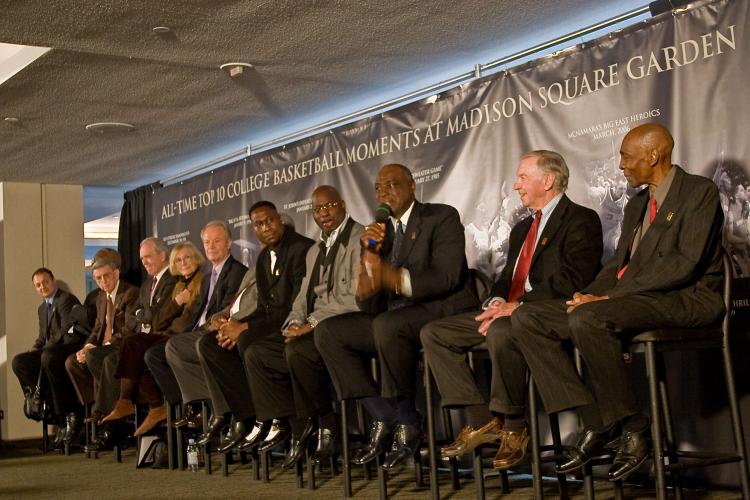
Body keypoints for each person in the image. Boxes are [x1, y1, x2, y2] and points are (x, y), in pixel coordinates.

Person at [510, 123, 725, 482]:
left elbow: (683, 265)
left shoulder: (698, 192)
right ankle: (599, 421)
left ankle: (634, 429)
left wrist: (606, 298)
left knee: (589, 318)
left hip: (686, 298)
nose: (621, 165)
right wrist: (586, 294)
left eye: (626, 157)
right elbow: (619, 265)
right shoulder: (638, 203)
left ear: (653, 155)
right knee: (528, 319)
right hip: (632, 299)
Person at [420, 150, 603, 470]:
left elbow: (574, 278)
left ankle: (515, 427)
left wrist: (517, 306)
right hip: (510, 309)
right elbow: (506, 279)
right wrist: (494, 303)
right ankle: (482, 421)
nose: (516, 185)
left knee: (506, 328)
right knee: (434, 332)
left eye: (522, 177)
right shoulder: (521, 229)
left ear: (547, 180)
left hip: (547, 313)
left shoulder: (581, 219)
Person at [315, 163, 478, 470]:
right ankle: (383, 414)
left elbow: (447, 277)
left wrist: (390, 276)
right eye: (378, 188)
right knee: (329, 332)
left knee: (388, 325)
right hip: (393, 319)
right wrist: (370, 256)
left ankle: (408, 423)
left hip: (441, 310)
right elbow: (367, 304)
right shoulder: (380, 233)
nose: (383, 193)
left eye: (391, 185)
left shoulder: (440, 216)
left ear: (412, 185)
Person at [244, 186, 363, 468]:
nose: (324, 213)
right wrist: (296, 321)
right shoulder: (316, 250)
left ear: (343, 205)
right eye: (318, 210)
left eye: (329, 206)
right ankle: (296, 426)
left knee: (297, 352)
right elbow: (301, 298)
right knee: (258, 352)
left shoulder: (361, 237)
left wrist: (310, 323)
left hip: (345, 323)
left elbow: (353, 298)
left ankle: (326, 424)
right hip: (315, 325)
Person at [196, 201, 313, 452]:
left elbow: (291, 307)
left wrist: (245, 328)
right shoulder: (262, 259)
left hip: (294, 324)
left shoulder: (301, 249)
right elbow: (264, 308)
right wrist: (234, 325)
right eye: (258, 224)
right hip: (270, 322)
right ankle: (246, 416)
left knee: (248, 342)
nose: (265, 227)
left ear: (279, 220)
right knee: (209, 343)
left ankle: (276, 419)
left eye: (269, 220)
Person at [145, 220, 247, 430]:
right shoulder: (209, 277)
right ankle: (198, 406)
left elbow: (228, 310)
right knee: (156, 352)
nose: (210, 246)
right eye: (207, 242)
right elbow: (195, 315)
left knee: (173, 347)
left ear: (229, 243)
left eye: (216, 241)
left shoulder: (237, 272)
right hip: (197, 331)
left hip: (216, 332)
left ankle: (207, 407)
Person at [99, 238, 184, 436]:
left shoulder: (173, 279)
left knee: (134, 345)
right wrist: (145, 315)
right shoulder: (146, 285)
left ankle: (128, 403)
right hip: (146, 338)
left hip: (166, 335)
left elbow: (156, 316)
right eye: (141, 258)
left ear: (162, 256)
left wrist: (146, 315)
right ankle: (145, 407)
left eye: (148, 257)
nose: (144, 262)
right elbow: (138, 315)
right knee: (116, 356)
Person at [64, 255, 139, 444]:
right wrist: (87, 346)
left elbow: (128, 330)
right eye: (98, 278)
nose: (103, 281)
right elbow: (97, 328)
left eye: (107, 276)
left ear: (116, 273)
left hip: (121, 346)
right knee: (71, 361)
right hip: (103, 348)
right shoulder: (100, 298)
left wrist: (99, 348)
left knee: (98, 358)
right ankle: (95, 407)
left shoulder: (130, 293)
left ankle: (103, 413)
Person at [12, 268, 82, 448]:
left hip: (67, 347)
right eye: (38, 285)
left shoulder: (66, 300)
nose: (42, 287)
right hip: (49, 350)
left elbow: (66, 331)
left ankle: (68, 415)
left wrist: (43, 348)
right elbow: (42, 337)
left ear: (53, 281)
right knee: (19, 361)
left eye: (45, 282)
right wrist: (34, 350)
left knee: (47, 356)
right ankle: (45, 405)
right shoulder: (42, 308)